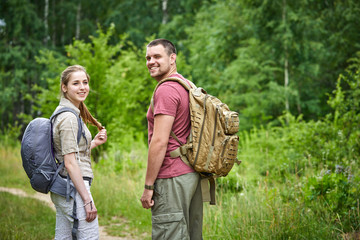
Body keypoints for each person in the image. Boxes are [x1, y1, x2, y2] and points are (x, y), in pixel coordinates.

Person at [140, 39, 203, 239]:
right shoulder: (186, 84)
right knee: (192, 234)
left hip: (171, 176)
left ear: (172, 58)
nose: (151, 61)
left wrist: (149, 186)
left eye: (157, 56)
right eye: (148, 58)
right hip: (191, 173)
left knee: (170, 234)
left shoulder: (166, 89)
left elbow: (159, 142)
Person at [50, 65, 107, 239]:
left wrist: (93, 143)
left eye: (85, 82)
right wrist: (87, 200)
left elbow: (69, 153)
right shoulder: (69, 118)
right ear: (64, 87)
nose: (82, 87)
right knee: (89, 236)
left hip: (66, 187)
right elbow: (70, 162)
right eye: (76, 83)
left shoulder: (67, 113)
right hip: (73, 188)